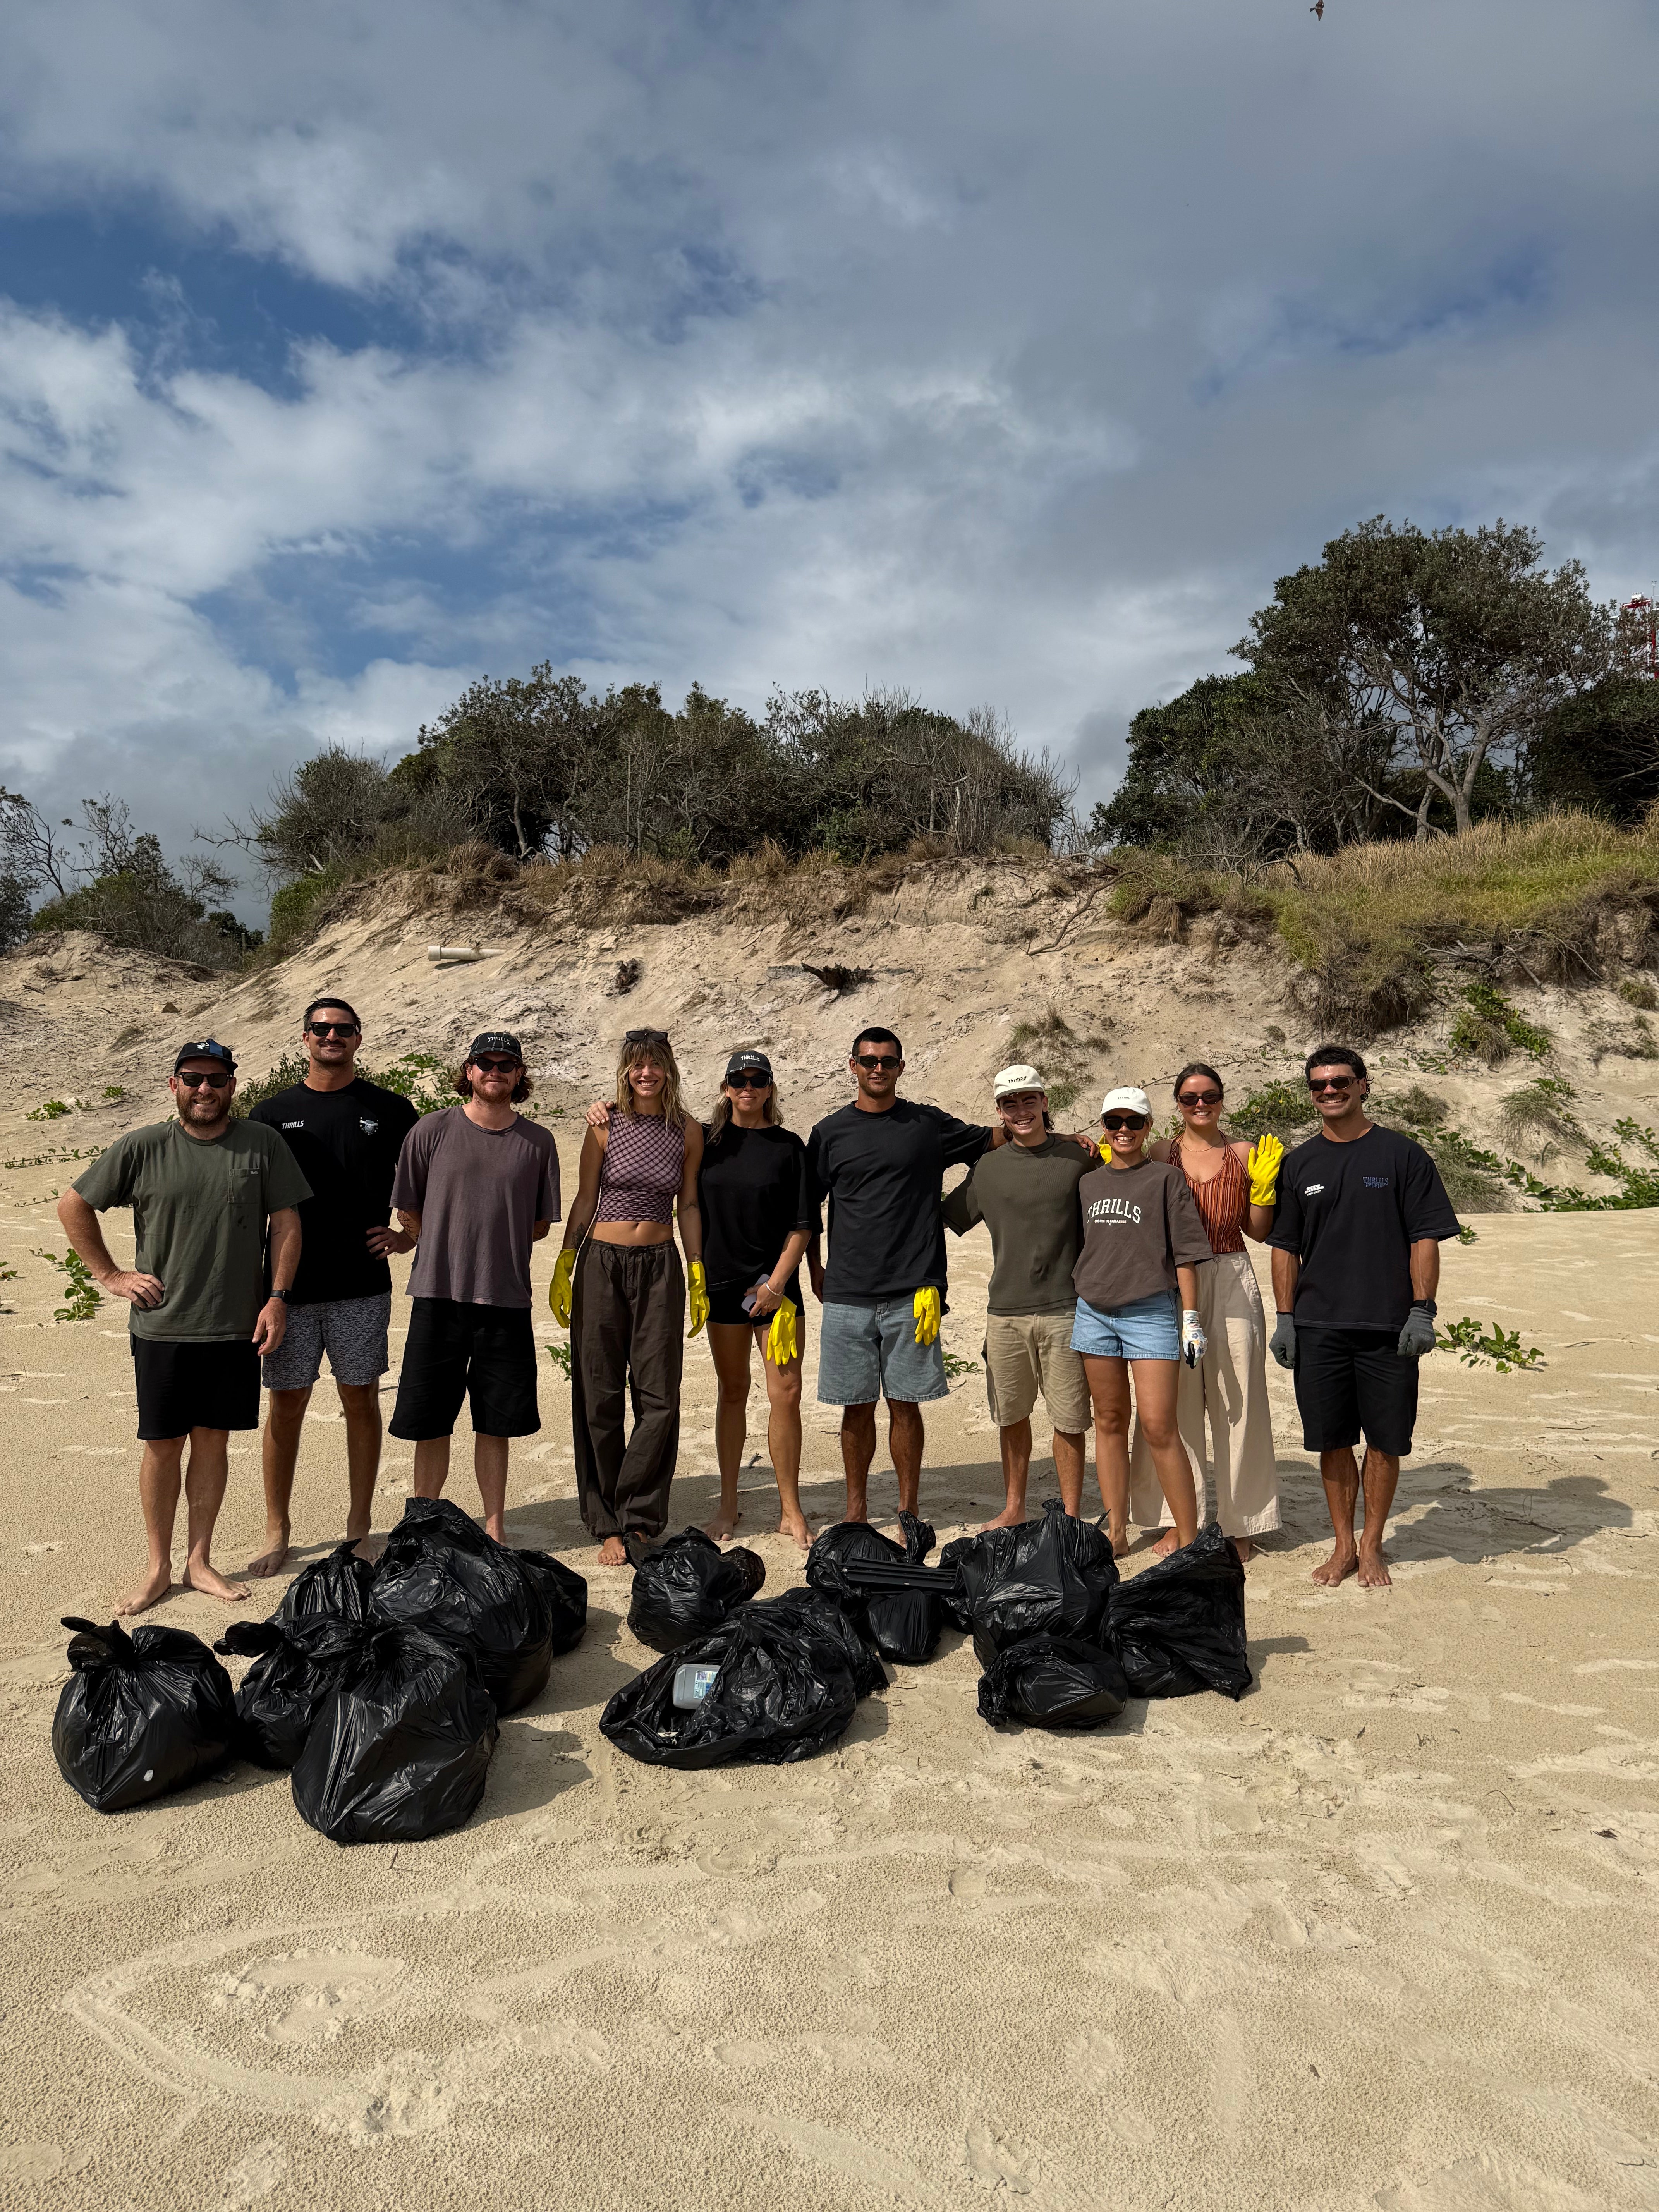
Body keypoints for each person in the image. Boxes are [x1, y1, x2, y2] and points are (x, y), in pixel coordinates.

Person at [57, 1040, 310, 1614]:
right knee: (163, 1444)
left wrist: (277, 1298)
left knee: (213, 1442)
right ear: (174, 1085)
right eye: (193, 1079)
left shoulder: (262, 1144)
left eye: (217, 1080)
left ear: (232, 1087)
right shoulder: (144, 1146)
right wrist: (111, 1275)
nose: (205, 1090)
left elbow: (286, 1224)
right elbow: (73, 1205)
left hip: (234, 1325)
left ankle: (199, 1560)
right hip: (163, 1325)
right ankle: (158, 1566)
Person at [1269, 1044, 1460, 1590]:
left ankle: (1373, 1544)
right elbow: (1285, 1245)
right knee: (1330, 1439)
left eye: (1340, 1082)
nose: (1330, 1091)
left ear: (1364, 1084)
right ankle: (1343, 1545)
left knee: (1384, 1440)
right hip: (1318, 1325)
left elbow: (1425, 1236)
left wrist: (1422, 1311)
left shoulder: (1403, 1156)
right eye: (1319, 1085)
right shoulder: (1300, 1162)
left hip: (1387, 1325)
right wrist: (1286, 1318)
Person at [246, 997, 419, 1576]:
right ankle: (277, 1527)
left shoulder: (391, 1109)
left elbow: (423, 1179)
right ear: (305, 1039)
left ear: (358, 1039)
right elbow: (250, 1202)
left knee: (360, 1399)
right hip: (289, 1288)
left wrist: (406, 1236)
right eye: (321, 1029)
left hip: (361, 1284)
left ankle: (359, 1526)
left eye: (343, 1029)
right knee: (287, 1403)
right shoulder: (271, 1114)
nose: (332, 1036)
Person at [387, 1032, 561, 1542]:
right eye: (486, 1062)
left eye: (508, 1064)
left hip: (505, 1301)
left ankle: (495, 1529)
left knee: (497, 1423)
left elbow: (539, 1225)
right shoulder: (431, 1130)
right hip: (437, 1296)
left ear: (519, 1075)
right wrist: (436, 1240)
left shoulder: (539, 1142)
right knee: (429, 1421)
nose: (496, 1072)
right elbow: (407, 1206)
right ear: (468, 1071)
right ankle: (422, 1525)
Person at [551, 1029, 706, 1565]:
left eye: (656, 1065)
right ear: (626, 1070)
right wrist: (566, 1259)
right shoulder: (603, 1124)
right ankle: (605, 1523)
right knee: (599, 1394)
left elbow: (687, 1203)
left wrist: (697, 1265)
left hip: (662, 1264)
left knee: (660, 1396)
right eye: (638, 1065)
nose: (647, 1074)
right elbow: (586, 1196)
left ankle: (637, 1516)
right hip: (602, 1263)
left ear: (669, 1069)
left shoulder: (688, 1131)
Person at [1132, 1062, 1285, 1561]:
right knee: (1175, 1400)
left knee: (1240, 1399)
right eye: (1190, 1097)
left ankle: (1243, 1521)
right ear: (1176, 1103)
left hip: (1232, 1273)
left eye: (1210, 1096)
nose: (1201, 1104)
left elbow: (1258, 1231)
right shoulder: (1161, 1152)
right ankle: (1181, 1519)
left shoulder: (1243, 1154)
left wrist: (1261, 1192)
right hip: (1174, 1280)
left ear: (1222, 1099)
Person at [941, 1064, 1093, 1529]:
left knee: (1069, 1419)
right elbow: (945, 1217)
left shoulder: (1081, 1159)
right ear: (1000, 1113)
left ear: (1045, 1102)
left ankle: (1069, 1514)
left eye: (1029, 1100)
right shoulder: (987, 1169)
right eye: (1011, 1104)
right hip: (1004, 1311)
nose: (1021, 1110)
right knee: (1011, 1415)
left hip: (1067, 1309)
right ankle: (1014, 1507)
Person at [1072, 1086, 1214, 1556]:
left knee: (1158, 1426)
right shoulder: (1088, 1183)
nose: (1124, 1131)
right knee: (1109, 1421)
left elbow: (1188, 1255)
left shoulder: (1167, 1180)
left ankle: (1189, 1538)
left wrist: (1190, 1319)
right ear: (1104, 1128)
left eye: (1134, 1122)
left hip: (1150, 1312)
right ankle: (1115, 1531)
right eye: (1114, 1122)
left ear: (1149, 1126)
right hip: (1093, 1312)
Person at [693, 1051, 818, 1549]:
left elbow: (803, 1224)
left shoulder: (790, 1147)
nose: (748, 1087)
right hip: (722, 1286)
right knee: (732, 1391)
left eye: (757, 1080)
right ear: (725, 1088)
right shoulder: (705, 1142)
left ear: (770, 1089)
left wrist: (776, 1284)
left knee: (786, 1394)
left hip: (777, 1289)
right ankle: (728, 1502)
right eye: (738, 1080)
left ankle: (791, 1508)